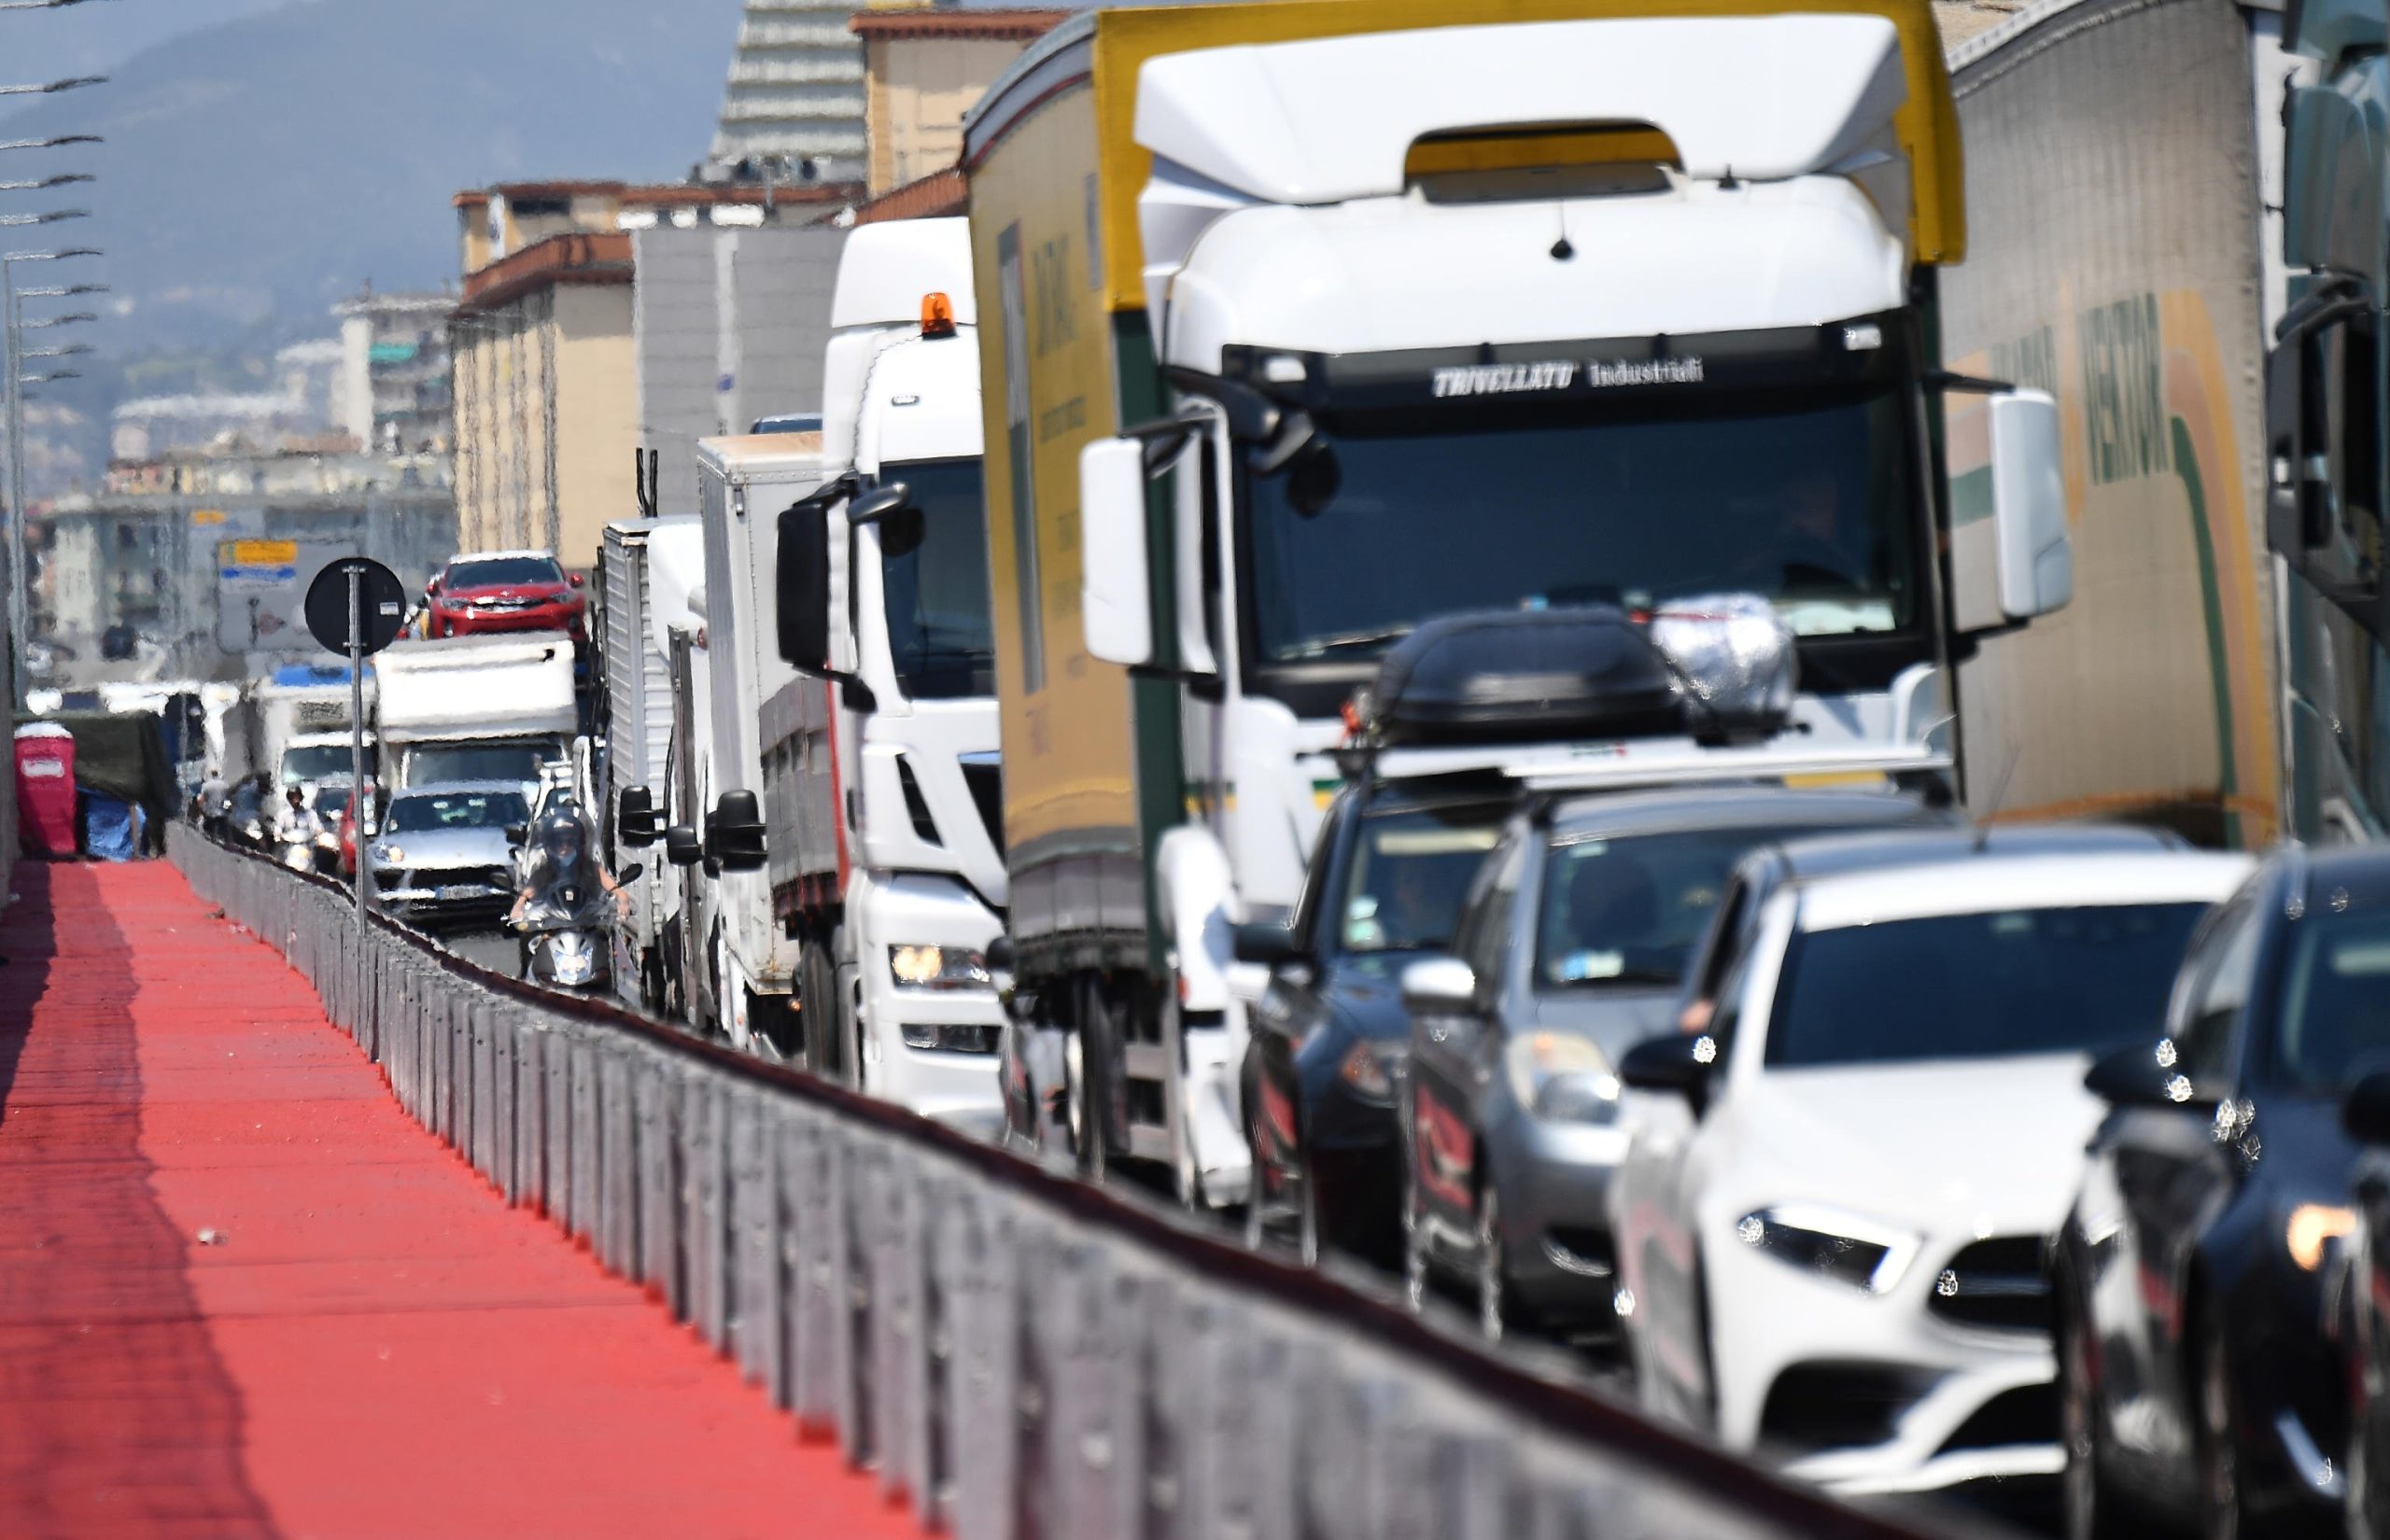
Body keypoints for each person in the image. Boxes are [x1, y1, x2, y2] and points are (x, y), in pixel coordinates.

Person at [508, 802, 629, 927]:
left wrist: (622, 900)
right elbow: (529, 891)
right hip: (553, 925)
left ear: (580, 844)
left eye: (570, 841)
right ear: (549, 846)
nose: (565, 847)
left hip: (588, 923)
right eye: (559, 842)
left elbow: (614, 888)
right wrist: (519, 906)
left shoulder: (591, 867)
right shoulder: (544, 871)